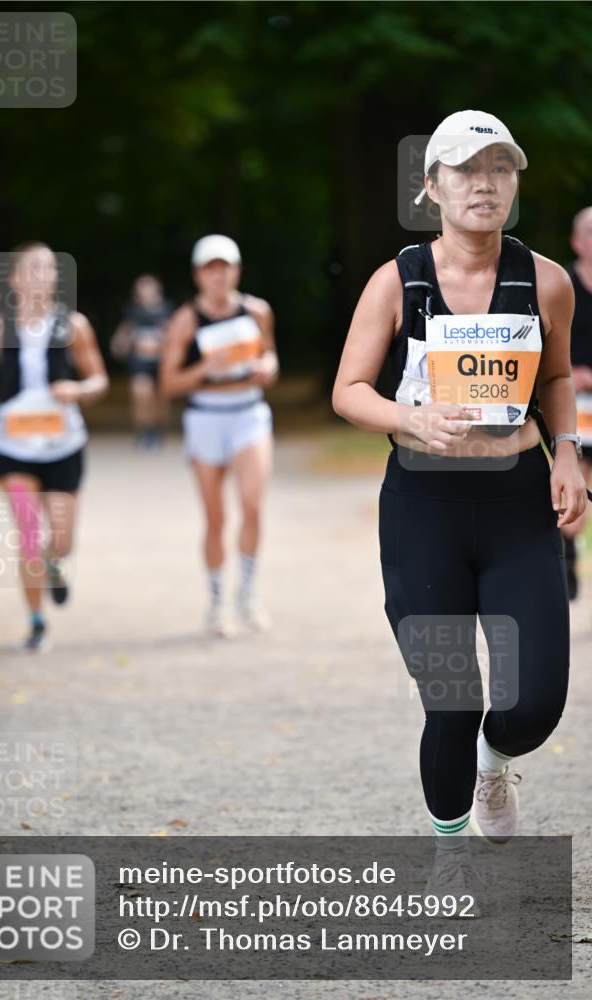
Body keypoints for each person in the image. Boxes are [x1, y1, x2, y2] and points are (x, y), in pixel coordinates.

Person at [332, 110, 587, 902]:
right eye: (464, 169)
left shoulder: (545, 279)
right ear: (431, 186)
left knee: (533, 705)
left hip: (514, 506)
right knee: (450, 700)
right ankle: (451, 856)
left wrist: (569, 451)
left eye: (499, 169)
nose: (483, 183)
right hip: (423, 510)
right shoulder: (397, 280)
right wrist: (409, 417)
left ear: (513, 183)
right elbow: (346, 391)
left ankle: (493, 764)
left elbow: (552, 378)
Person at [0, 242, 109, 651]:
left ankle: (56, 564)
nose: (40, 276)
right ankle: (36, 621)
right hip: (13, 446)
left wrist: (77, 388)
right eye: (31, 269)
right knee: (28, 533)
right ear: (14, 278)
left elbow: (100, 380)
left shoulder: (74, 325)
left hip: (63, 444)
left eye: (47, 269)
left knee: (61, 538)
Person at [160, 235, 279, 636]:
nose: (218, 275)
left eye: (224, 266)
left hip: (248, 413)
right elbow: (169, 383)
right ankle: (216, 603)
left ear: (236, 271)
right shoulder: (185, 321)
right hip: (206, 417)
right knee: (215, 518)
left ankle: (247, 594)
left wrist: (267, 367)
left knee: (253, 507)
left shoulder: (257, 311)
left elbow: (271, 355)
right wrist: (205, 367)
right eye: (210, 268)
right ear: (197, 275)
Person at [561, 207, 592, 599]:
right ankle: (567, 553)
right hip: (576, 404)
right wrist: (573, 372)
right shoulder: (561, 285)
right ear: (575, 242)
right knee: (578, 490)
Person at [110, 274, 173, 449]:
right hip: (139, 362)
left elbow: (173, 335)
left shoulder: (166, 309)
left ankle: (158, 431)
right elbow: (124, 333)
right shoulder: (133, 311)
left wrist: (159, 344)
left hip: (161, 362)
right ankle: (145, 431)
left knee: (161, 400)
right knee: (141, 394)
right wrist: (121, 344)